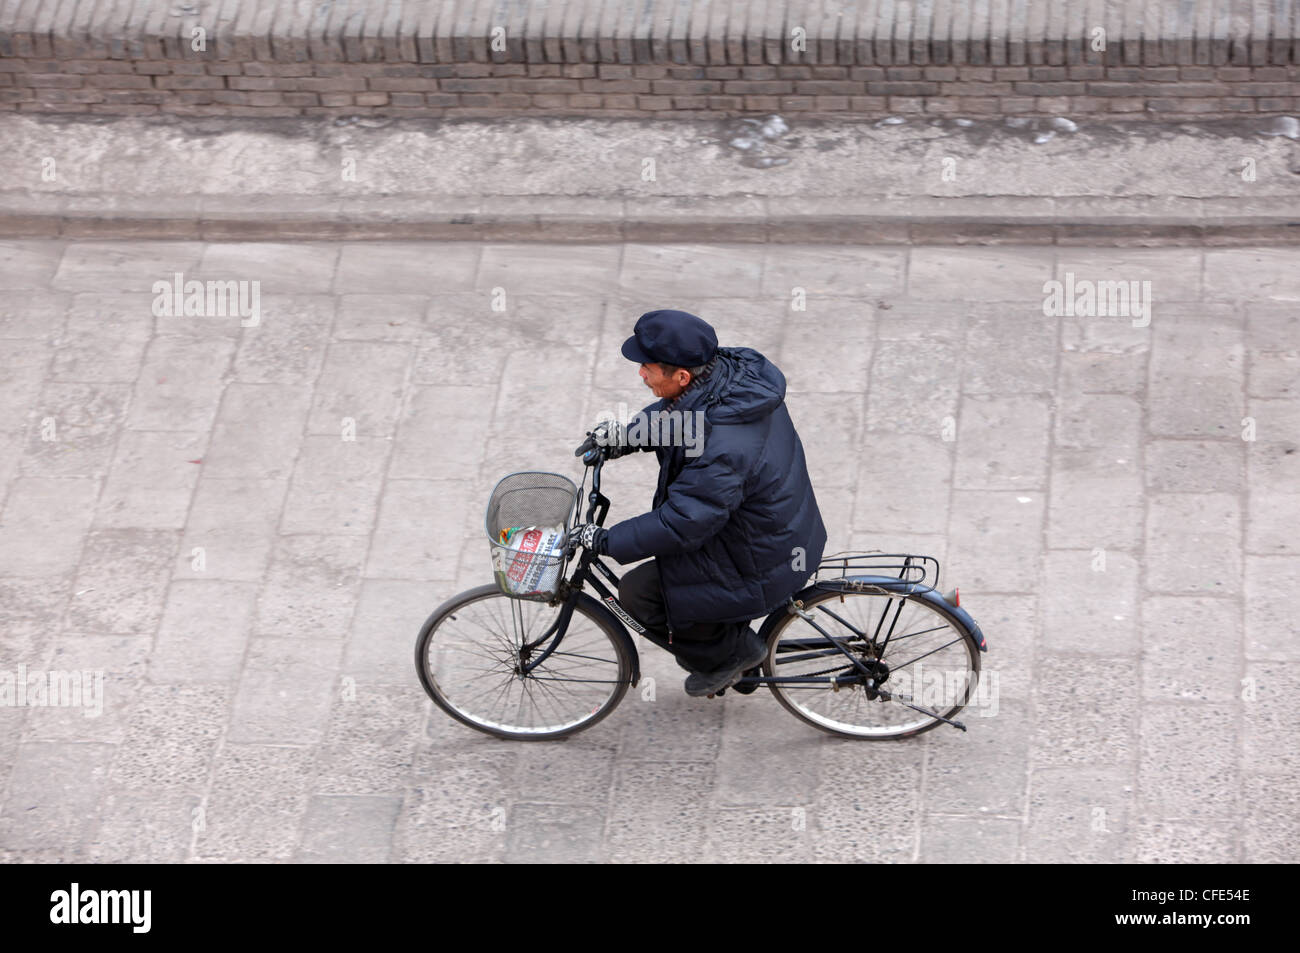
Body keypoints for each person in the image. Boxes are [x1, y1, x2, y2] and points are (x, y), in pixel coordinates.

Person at [567, 309, 828, 697]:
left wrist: (606, 541)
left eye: (648, 368)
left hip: (758, 557)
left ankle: (734, 654)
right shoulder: (729, 378)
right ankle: (726, 639)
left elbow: (683, 522)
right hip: (772, 528)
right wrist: (623, 438)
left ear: (681, 376)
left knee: (642, 593)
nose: (641, 374)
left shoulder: (723, 448)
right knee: (672, 581)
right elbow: (682, 417)